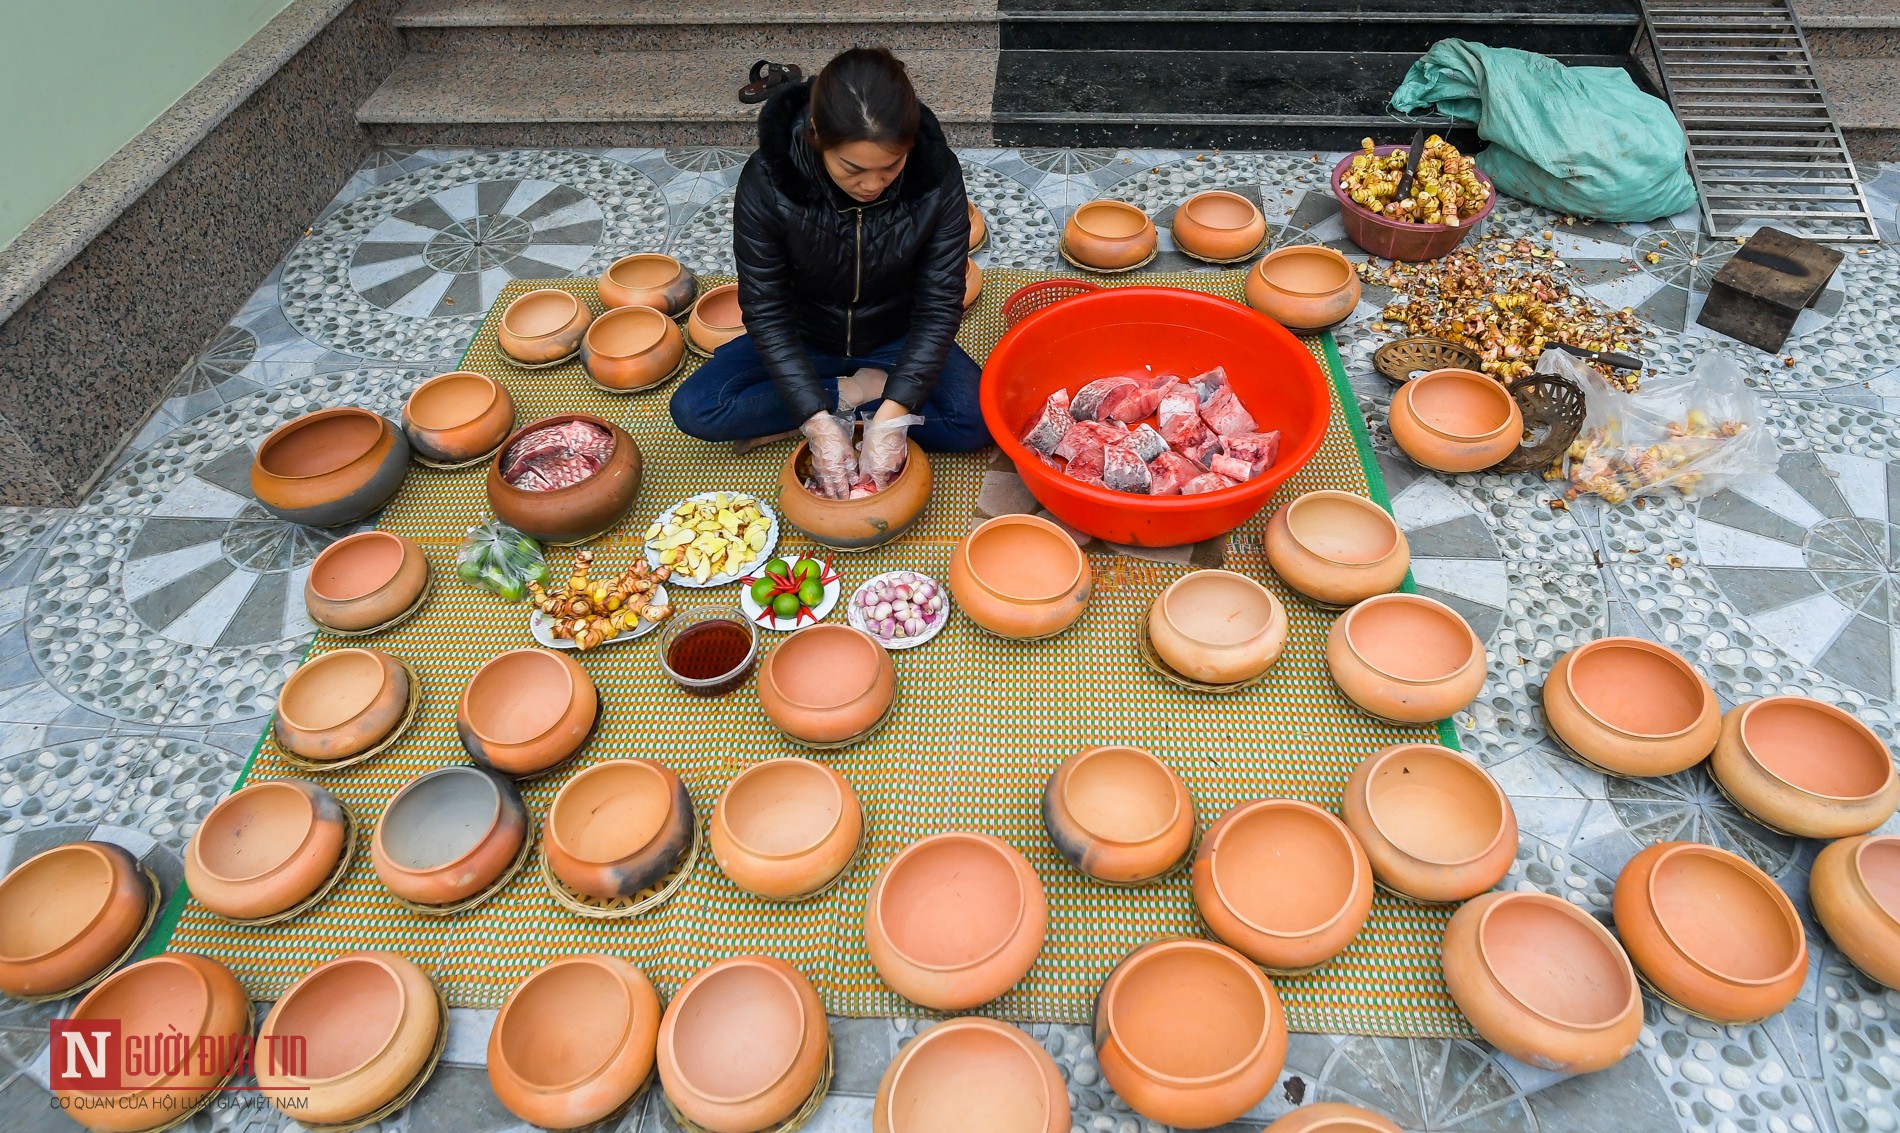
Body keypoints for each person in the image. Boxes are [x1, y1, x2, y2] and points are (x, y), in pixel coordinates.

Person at [670, 47, 991, 498]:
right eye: (853, 168)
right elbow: (765, 308)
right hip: (806, 336)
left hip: (894, 334)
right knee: (697, 409)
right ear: (818, 137)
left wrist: (896, 415)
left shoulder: (936, 176)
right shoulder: (769, 180)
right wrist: (818, 421)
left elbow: (940, 304)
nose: (873, 185)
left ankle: (863, 404)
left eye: (891, 167)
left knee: (976, 420)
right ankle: (852, 394)